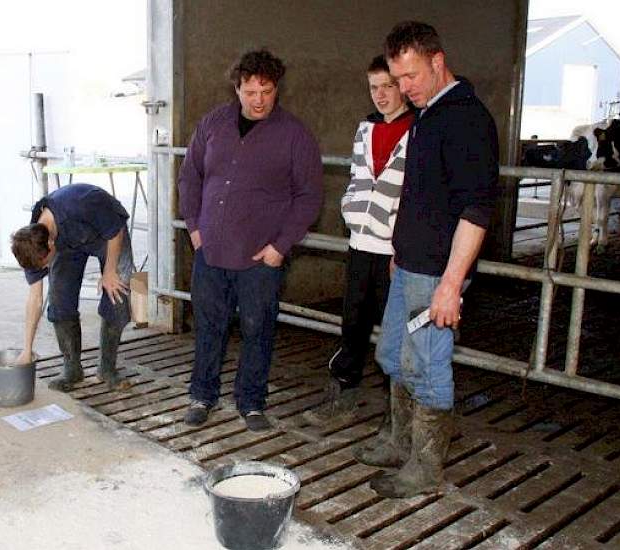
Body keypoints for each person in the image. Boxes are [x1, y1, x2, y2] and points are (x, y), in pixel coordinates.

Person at [357, 21, 499, 498]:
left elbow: (476, 209)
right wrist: (401, 250)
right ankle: (399, 441)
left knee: (428, 366)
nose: (404, 88)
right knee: (392, 354)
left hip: (438, 274)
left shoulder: (467, 120)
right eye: (398, 79)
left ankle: (426, 466)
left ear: (438, 62)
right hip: (410, 266)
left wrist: (451, 284)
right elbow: (421, 196)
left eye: (412, 76)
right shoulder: (427, 113)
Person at [178, 49, 324, 432]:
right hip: (210, 250)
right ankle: (202, 395)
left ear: (277, 90)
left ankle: (252, 402)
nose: (258, 99)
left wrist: (281, 246)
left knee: (258, 327)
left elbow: (309, 196)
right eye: (250, 91)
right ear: (237, 88)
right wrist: (194, 226)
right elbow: (189, 176)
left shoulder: (295, 135)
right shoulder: (212, 124)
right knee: (209, 324)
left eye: (267, 91)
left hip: (261, 256)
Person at [303, 55, 413, 426]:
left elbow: (418, 194)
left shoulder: (419, 129)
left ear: (403, 86)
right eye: (374, 88)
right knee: (352, 323)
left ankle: (396, 415)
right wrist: (352, 211)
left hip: (396, 253)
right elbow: (355, 178)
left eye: (388, 86)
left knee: (396, 333)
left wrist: (403, 243)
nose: (381, 95)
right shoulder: (365, 128)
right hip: (361, 244)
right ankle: (342, 394)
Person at [11, 183, 135, 392]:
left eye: (45, 264)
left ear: (51, 244)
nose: (44, 269)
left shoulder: (81, 204)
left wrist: (109, 271)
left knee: (117, 293)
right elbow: (36, 298)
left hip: (108, 234)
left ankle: (107, 368)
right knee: (59, 301)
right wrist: (27, 349)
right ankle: (72, 370)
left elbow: (115, 230)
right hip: (68, 245)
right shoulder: (31, 243)